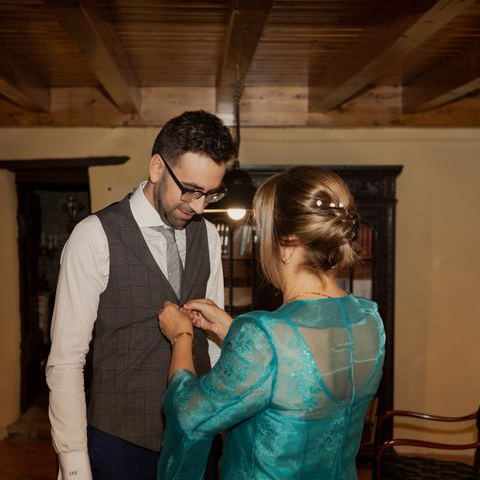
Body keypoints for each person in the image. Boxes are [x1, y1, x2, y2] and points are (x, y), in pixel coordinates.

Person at [157, 166, 386, 480]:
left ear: (288, 243)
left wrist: (180, 335)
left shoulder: (263, 337)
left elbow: (190, 417)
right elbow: (303, 369)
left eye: (261, 232)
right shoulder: (369, 320)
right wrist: (231, 330)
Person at [46, 110, 237, 480]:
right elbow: (66, 362)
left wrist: (218, 420)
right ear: (156, 168)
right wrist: (73, 466)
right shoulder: (93, 236)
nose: (199, 205)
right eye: (191, 189)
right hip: (120, 443)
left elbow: (213, 346)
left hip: (197, 438)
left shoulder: (209, 236)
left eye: (211, 193)